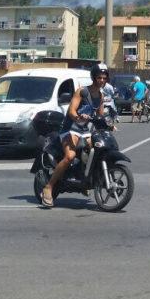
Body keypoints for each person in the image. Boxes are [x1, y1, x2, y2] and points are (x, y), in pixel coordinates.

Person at [41, 65, 105, 208]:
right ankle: (49, 187)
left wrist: (109, 123)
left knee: (96, 151)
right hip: (71, 128)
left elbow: (100, 116)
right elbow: (71, 111)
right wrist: (78, 116)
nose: (101, 80)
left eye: (104, 78)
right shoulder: (82, 91)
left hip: (86, 129)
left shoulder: (101, 96)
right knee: (70, 156)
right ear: (94, 78)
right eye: (99, 78)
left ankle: (84, 179)